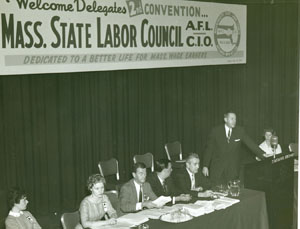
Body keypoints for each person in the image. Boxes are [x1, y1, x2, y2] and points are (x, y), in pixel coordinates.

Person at [202, 111, 265, 186]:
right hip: (217, 169)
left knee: (231, 193)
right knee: (217, 192)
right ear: (225, 119)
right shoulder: (215, 131)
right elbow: (209, 150)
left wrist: (263, 154)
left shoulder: (240, 131)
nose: (234, 121)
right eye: (232, 119)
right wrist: (205, 165)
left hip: (232, 169)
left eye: (235, 119)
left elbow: (251, 144)